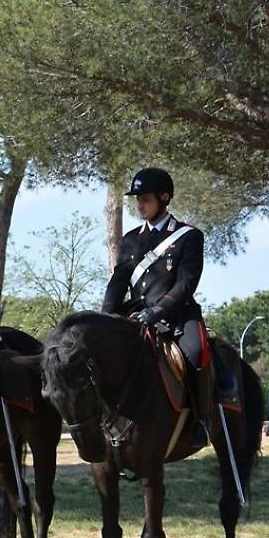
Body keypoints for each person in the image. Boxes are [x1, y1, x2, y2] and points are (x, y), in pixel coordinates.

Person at [101, 167, 210, 446]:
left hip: (176, 314)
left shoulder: (188, 236)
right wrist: (106, 315)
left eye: (146, 199)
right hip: (135, 314)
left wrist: (157, 312)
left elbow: (186, 284)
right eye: (137, 199)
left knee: (197, 352)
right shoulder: (131, 239)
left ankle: (201, 421)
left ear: (164, 198)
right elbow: (119, 281)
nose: (140, 204)